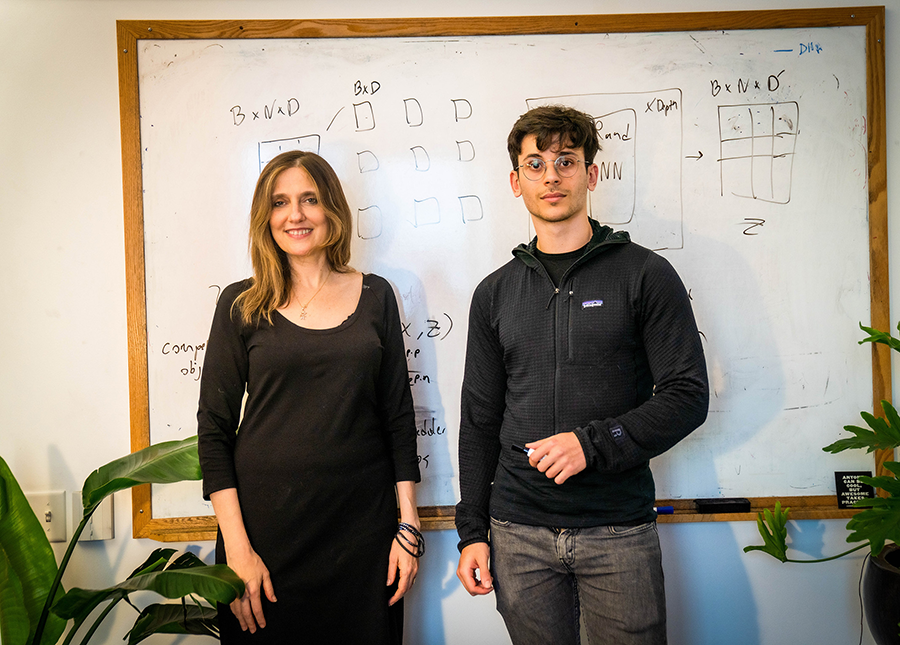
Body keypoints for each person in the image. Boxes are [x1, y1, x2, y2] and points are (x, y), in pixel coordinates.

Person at [455, 105, 709, 645]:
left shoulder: (645, 274)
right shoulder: (494, 294)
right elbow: (479, 419)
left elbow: (688, 396)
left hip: (617, 531)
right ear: (515, 181)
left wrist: (591, 445)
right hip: (516, 534)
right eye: (535, 164)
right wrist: (472, 532)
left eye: (566, 160)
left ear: (591, 174)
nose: (551, 176)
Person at [197, 150, 423, 644]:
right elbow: (213, 433)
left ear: (332, 211)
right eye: (280, 202)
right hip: (262, 541)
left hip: (364, 539)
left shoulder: (377, 295)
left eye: (309, 199)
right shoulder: (241, 303)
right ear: (266, 217)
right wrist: (237, 552)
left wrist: (408, 527)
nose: (295, 214)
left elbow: (398, 419)